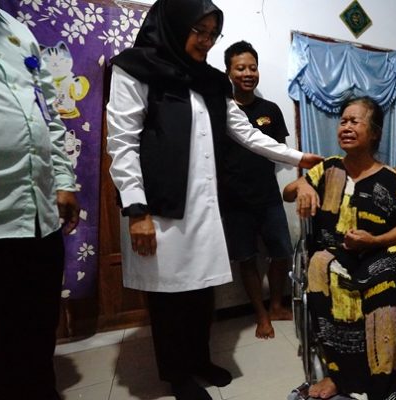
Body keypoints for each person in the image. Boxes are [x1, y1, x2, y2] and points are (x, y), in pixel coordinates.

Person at [105, 1, 322, 399]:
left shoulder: (209, 80)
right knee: (169, 296)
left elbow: (245, 132)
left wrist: (297, 157)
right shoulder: (136, 69)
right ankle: (178, 375)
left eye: (211, 34)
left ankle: (199, 359)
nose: (206, 41)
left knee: (200, 292)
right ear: (174, 24)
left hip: (204, 205)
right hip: (160, 207)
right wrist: (137, 210)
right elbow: (122, 144)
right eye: (198, 31)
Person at [284, 97, 396, 400]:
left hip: (382, 251)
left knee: (387, 276)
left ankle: (382, 380)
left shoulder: (388, 178)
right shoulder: (328, 168)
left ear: (374, 133)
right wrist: (304, 185)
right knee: (321, 266)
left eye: (355, 121)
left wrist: (373, 241)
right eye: (343, 121)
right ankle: (341, 375)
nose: (346, 127)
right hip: (337, 252)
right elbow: (288, 191)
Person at [0, 0, 80, 399]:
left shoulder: (17, 31)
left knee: (37, 332)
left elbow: (47, 111)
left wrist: (64, 181)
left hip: (39, 216)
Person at [220, 40, 294, 339]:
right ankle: (261, 315)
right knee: (247, 258)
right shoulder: (221, 110)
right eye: (241, 68)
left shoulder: (270, 110)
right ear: (229, 72)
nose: (248, 73)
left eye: (252, 67)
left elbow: (279, 151)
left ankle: (276, 306)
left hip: (268, 196)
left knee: (282, 252)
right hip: (234, 199)